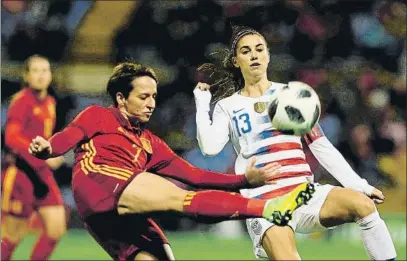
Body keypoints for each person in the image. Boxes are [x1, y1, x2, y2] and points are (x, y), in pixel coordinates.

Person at [28, 62, 315, 261]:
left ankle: (264, 208)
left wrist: (242, 181)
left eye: (154, 96)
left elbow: (195, 175)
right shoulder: (97, 116)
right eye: (143, 96)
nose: (151, 102)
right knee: (181, 199)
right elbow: (68, 136)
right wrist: (48, 148)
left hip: (117, 216)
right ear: (121, 98)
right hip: (100, 183)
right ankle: (267, 209)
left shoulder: (151, 143)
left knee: (161, 252)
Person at [193, 25, 397, 260]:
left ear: (268, 55)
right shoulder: (227, 106)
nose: (254, 55)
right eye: (246, 51)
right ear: (237, 61)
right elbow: (209, 148)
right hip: (264, 202)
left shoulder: (290, 95)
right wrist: (202, 104)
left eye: (259, 49)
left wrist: (360, 185)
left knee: (362, 205)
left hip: (305, 193)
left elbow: (320, 145)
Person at [1, 54, 66, 260]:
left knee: (56, 228)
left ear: (50, 76)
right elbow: (11, 138)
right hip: (20, 174)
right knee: (12, 236)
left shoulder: (50, 102)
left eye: (45, 70)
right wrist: (43, 156)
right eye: (35, 71)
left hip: (41, 173)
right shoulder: (21, 102)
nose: (40, 75)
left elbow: (44, 137)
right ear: (26, 76)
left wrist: (54, 150)